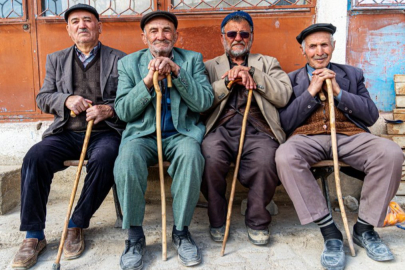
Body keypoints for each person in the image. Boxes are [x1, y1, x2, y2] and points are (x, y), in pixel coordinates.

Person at [275, 23, 403, 270]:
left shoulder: (352, 74)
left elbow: (370, 115)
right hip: (306, 138)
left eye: (324, 44)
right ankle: (330, 233)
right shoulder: (289, 80)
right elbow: (285, 122)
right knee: (284, 155)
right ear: (304, 51)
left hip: (349, 135)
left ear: (333, 47)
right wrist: (311, 92)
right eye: (313, 46)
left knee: (391, 153)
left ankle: (364, 228)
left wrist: (339, 93)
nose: (319, 51)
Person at [11, 4, 126, 269]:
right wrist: (66, 99)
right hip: (66, 133)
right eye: (75, 22)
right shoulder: (56, 59)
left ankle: (76, 223)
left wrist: (108, 109)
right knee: (34, 158)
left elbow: (130, 100)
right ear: (68, 30)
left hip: (105, 133)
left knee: (107, 158)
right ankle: (33, 235)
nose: (82, 25)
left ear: (99, 27)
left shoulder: (120, 59)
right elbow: (43, 97)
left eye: (88, 20)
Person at [113, 11, 213, 270]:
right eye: (154, 31)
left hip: (181, 134)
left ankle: (181, 232)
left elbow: (204, 102)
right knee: (126, 160)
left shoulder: (192, 60)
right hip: (143, 135)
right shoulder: (128, 63)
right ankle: (134, 236)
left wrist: (178, 73)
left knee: (192, 156)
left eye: (167, 30)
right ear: (144, 36)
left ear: (176, 35)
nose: (161, 36)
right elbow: (123, 111)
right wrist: (148, 81)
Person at [201, 11, 292, 245]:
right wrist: (226, 82)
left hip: (258, 129)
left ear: (251, 37)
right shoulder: (209, 66)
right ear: (223, 38)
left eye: (243, 33)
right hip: (220, 129)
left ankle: (257, 221)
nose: (237, 38)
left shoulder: (268, 63)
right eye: (232, 33)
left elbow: (283, 96)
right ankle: (218, 219)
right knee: (209, 157)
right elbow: (199, 103)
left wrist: (252, 73)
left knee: (265, 160)